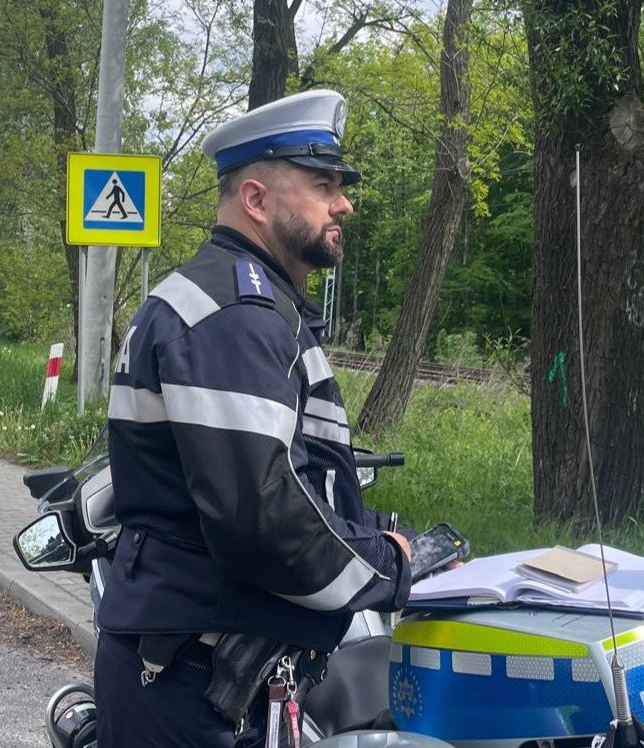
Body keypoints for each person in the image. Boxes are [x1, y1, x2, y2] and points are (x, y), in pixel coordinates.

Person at [94, 89, 415, 748]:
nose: (343, 203)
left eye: (339, 186)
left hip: (199, 664)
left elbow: (289, 477)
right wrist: (387, 566)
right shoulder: (234, 316)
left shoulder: (246, 304)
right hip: (189, 677)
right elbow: (260, 519)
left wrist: (370, 529)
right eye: (322, 185)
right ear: (256, 199)